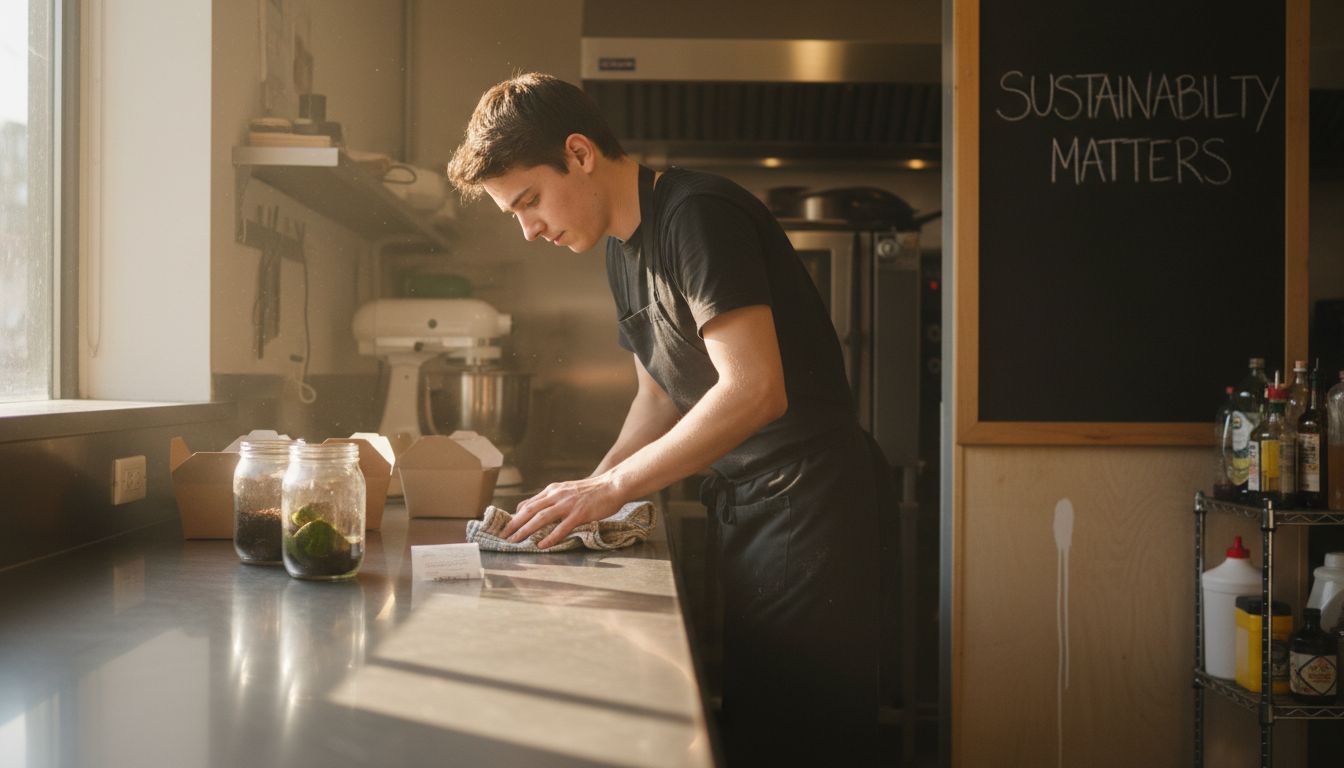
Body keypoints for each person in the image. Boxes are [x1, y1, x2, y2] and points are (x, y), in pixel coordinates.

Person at [447, 72, 890, 768]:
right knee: (758, 726)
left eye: (530, 200)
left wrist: (611, 490)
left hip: (814, 506)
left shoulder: (696, 215)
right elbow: (659, 396)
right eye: (514, 214)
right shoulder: (624, 252)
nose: (529, 229)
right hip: (754, 511)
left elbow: (754, 390)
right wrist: (582, 501)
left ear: (581, 153)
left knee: (809, 739)